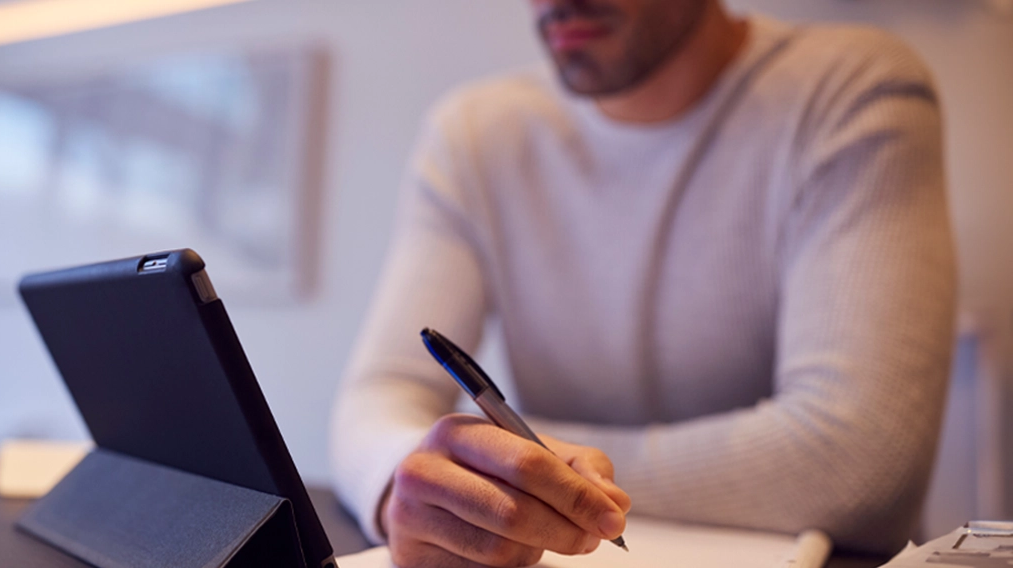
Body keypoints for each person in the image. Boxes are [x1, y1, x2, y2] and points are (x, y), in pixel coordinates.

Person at [331, 0, 957, 565]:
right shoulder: (472, 134)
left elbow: (860, 462)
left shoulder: (849, 87)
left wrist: (523, 473)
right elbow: (380, 397)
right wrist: (406, 483)